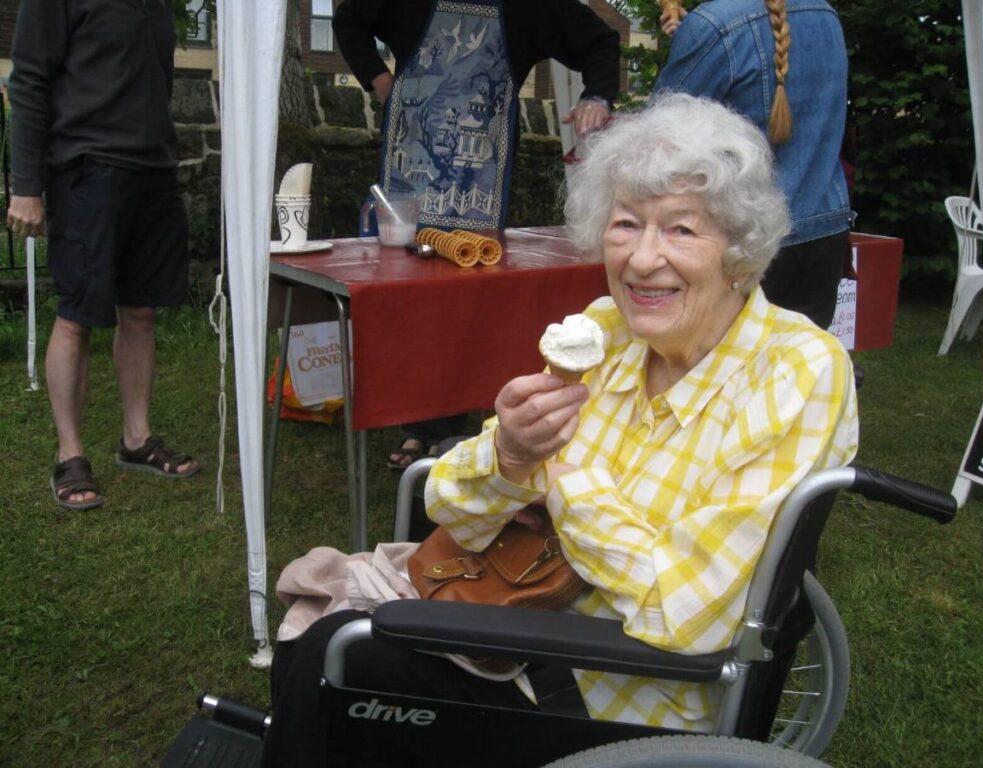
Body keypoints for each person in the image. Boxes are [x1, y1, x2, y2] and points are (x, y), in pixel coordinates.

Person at [261, 94, 858, 763]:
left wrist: (563, 481)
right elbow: (447, 506)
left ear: (741, 253)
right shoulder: (606, 331)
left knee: (335, 658)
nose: (641, 260)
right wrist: (513, 455)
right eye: (626, 224)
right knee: (322, 630)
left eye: (682, 231)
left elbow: (686, 616)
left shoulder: (797, 371)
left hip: (619, 692)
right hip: (516, 610)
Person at [332, 0, 621, 469]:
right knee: (407, 294)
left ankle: (461, 419)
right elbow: (348, 18)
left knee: (467, 298)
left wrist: (597, 97)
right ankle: (417, 422)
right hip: (412, 162)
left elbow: (601, 41)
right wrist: (377, 79)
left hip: (478, 174)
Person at [6, 0, 199, 511]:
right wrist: (25, 185)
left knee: (140, 309)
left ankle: (136, 439)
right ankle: (70, 456)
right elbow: (27, 79)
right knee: (77, 316)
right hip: (86, 166)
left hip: (153, 168)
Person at [654, 0, 852, 330]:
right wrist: (692, 38)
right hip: (823, 229)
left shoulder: (715, 24)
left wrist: (696, 37)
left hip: (743, 235)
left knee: (720, 374)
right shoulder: (825, 12)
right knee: (803, 369)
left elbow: (659, 135)